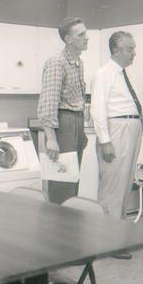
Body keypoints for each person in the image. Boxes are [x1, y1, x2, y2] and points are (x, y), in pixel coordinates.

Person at [91, 31, 143, 259]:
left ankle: (116, 238)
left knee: (123, 186)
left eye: (134, 48)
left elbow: (134, 102)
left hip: (132, 128)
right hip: (116, 130)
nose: (134, 53)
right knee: (112, 187)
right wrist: (105, 141)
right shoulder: (103, 74)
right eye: (130, 49)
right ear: (116, 50)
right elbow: (98, 110)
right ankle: (109, 242)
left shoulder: (126, 74)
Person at [37, 17, 89, 204]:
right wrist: (51, 138)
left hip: (76, 123)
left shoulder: (77, 63)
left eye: (86, 32)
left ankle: (70, 227)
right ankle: (57, 228)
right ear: (68, 39)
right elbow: (48, 101)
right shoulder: (57, 62)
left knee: (73, 180)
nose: (86, 37)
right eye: (81, 34)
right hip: (63, 124)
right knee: (62, 181)